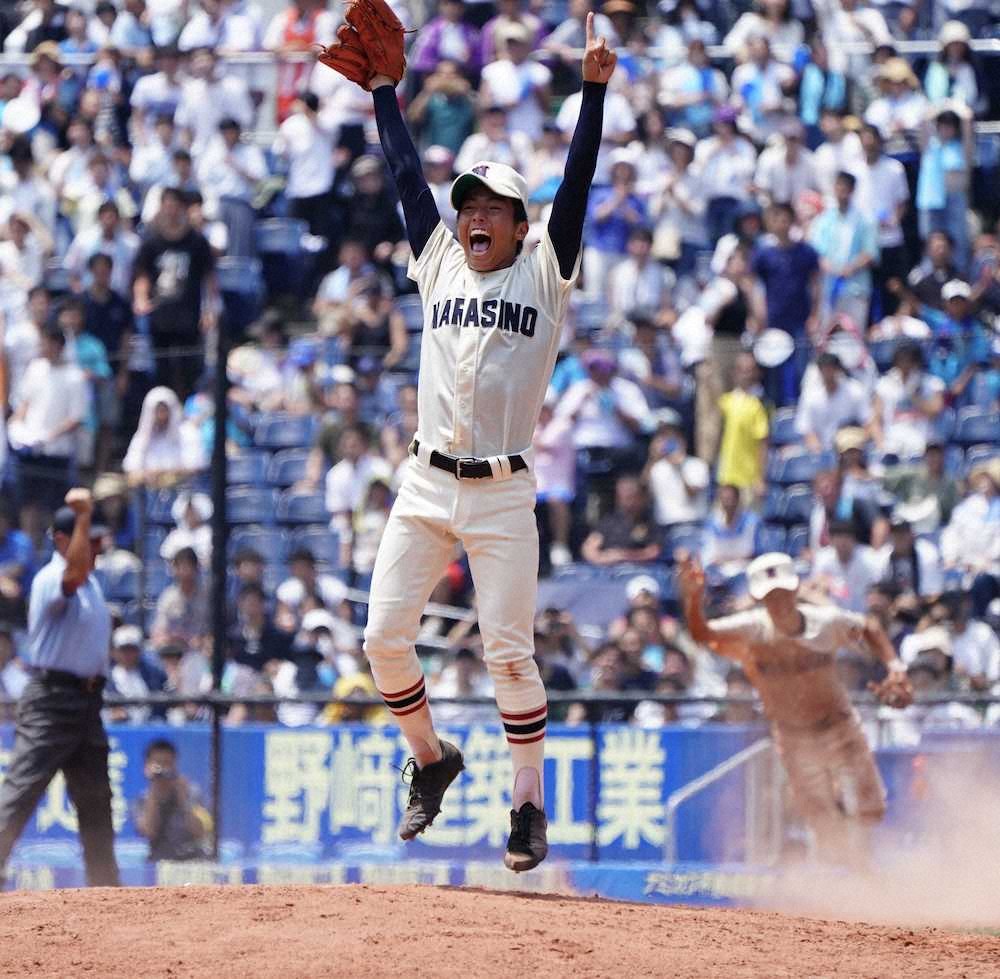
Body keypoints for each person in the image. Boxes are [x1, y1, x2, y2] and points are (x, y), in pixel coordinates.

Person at [324, 14, 617, 873]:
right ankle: (431, 758)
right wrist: (386, 90)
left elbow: (578, 178)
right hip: (424, 480)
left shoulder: (545, 271)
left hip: (503, 490)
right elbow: (404, 172)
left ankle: (526, 802)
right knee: (382, 639)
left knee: (507, 654)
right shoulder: (441, 261)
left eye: (492, 208)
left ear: (522, 225)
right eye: (469, 207)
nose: (474, 217)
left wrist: (592, 91)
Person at [679, 551, 912, 867]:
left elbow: (868, 627)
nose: (778, 603)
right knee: (824, 822)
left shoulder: (825, 622)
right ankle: (857, 878)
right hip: (794, 737)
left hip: (839, 725)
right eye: (770, 597)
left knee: (870, 811)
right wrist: (693, 600)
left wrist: (895, 667)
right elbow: (702, 634)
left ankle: (861, 865)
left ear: (795, 590)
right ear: (758, 599)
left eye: (782, 594)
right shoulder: (752, 629)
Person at [0, 490, 120, 888]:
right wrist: (82, 515)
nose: (97, 547)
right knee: (21, 792)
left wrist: (84, 520)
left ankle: (106, 890)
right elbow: (73, 575)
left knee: (97, 802)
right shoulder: (53, 577)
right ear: (61, 540)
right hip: (52, 700)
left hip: (88, 701)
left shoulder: (92, 585)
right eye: (88, 538)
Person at [134, 738, 210, 862]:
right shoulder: (143, 799)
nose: (163, 769)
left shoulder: (192, 792)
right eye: (158, 763)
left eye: (167, 763)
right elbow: (148, 832)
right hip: (160, 862)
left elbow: (200, 831)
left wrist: (183, 797)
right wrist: (154, 787)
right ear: (147, 766)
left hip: (192, 860)